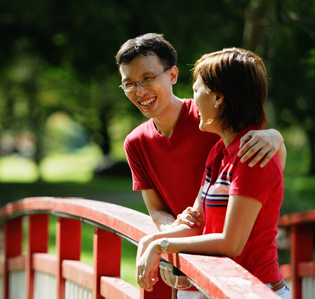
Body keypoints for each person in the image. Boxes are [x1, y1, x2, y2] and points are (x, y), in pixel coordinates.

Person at [135, 48, 290, 298]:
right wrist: (150, 240)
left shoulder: (251, 156)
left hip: (255, 292)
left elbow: (231, 243)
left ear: (218, 98)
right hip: (222, 288)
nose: (193, 100)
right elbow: (198, 222)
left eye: (197, 91)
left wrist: (161, 245)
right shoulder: (219, 151)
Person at [115, 33, 286, 231]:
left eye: (147, 78)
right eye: (129, 84)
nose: (140, 91)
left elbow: (266, 166)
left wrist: (275, 136)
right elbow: (156, 210)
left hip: (230, 247)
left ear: (172, 75)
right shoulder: (135, 142)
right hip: (184, 250)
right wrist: (174, 232)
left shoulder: (212, 120)